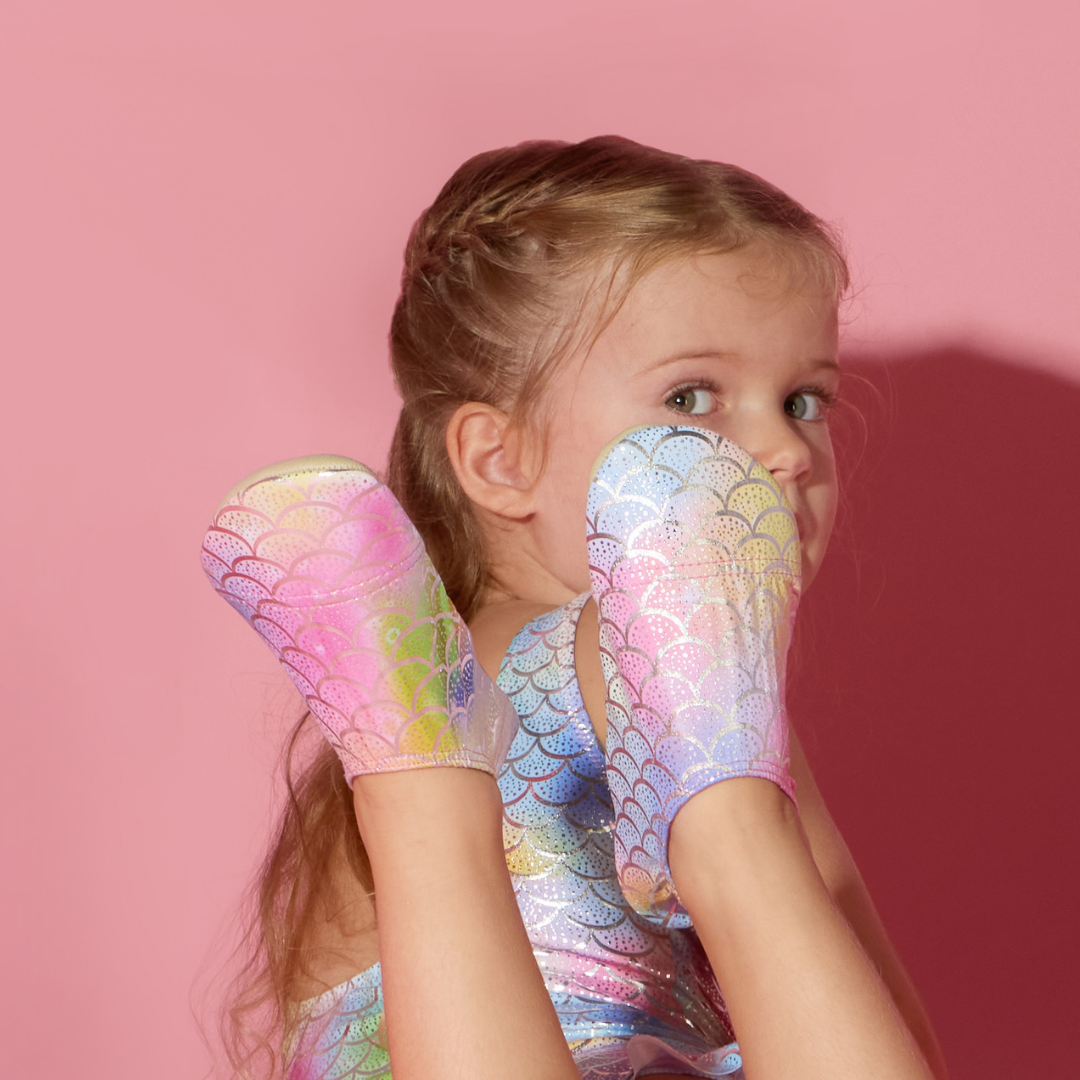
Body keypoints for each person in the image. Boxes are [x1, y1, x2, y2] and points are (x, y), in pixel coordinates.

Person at [202, 136, 949, 1080]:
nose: (784, 449)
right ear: (499, 460)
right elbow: (897, 1052)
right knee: (730, 803)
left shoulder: (360, 762)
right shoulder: (660, 646)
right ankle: (720, 843)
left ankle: (420, 802)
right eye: (693, 397)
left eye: (804, 400)